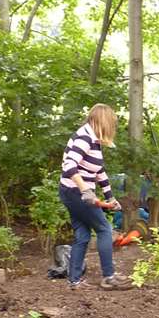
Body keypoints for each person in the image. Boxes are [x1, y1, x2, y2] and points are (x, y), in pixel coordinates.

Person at [59, 103, 130, 290]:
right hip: (75, 192)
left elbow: (100, 172)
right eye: (111, 124)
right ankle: (109, 276)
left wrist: (110, 197)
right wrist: (85, 190)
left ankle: (74, 281)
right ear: (103, 121)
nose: (112, 129)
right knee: (105, 229)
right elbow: (69, 166)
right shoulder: (84, 137)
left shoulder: (94, 140)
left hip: (75, 193)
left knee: (82, 236)